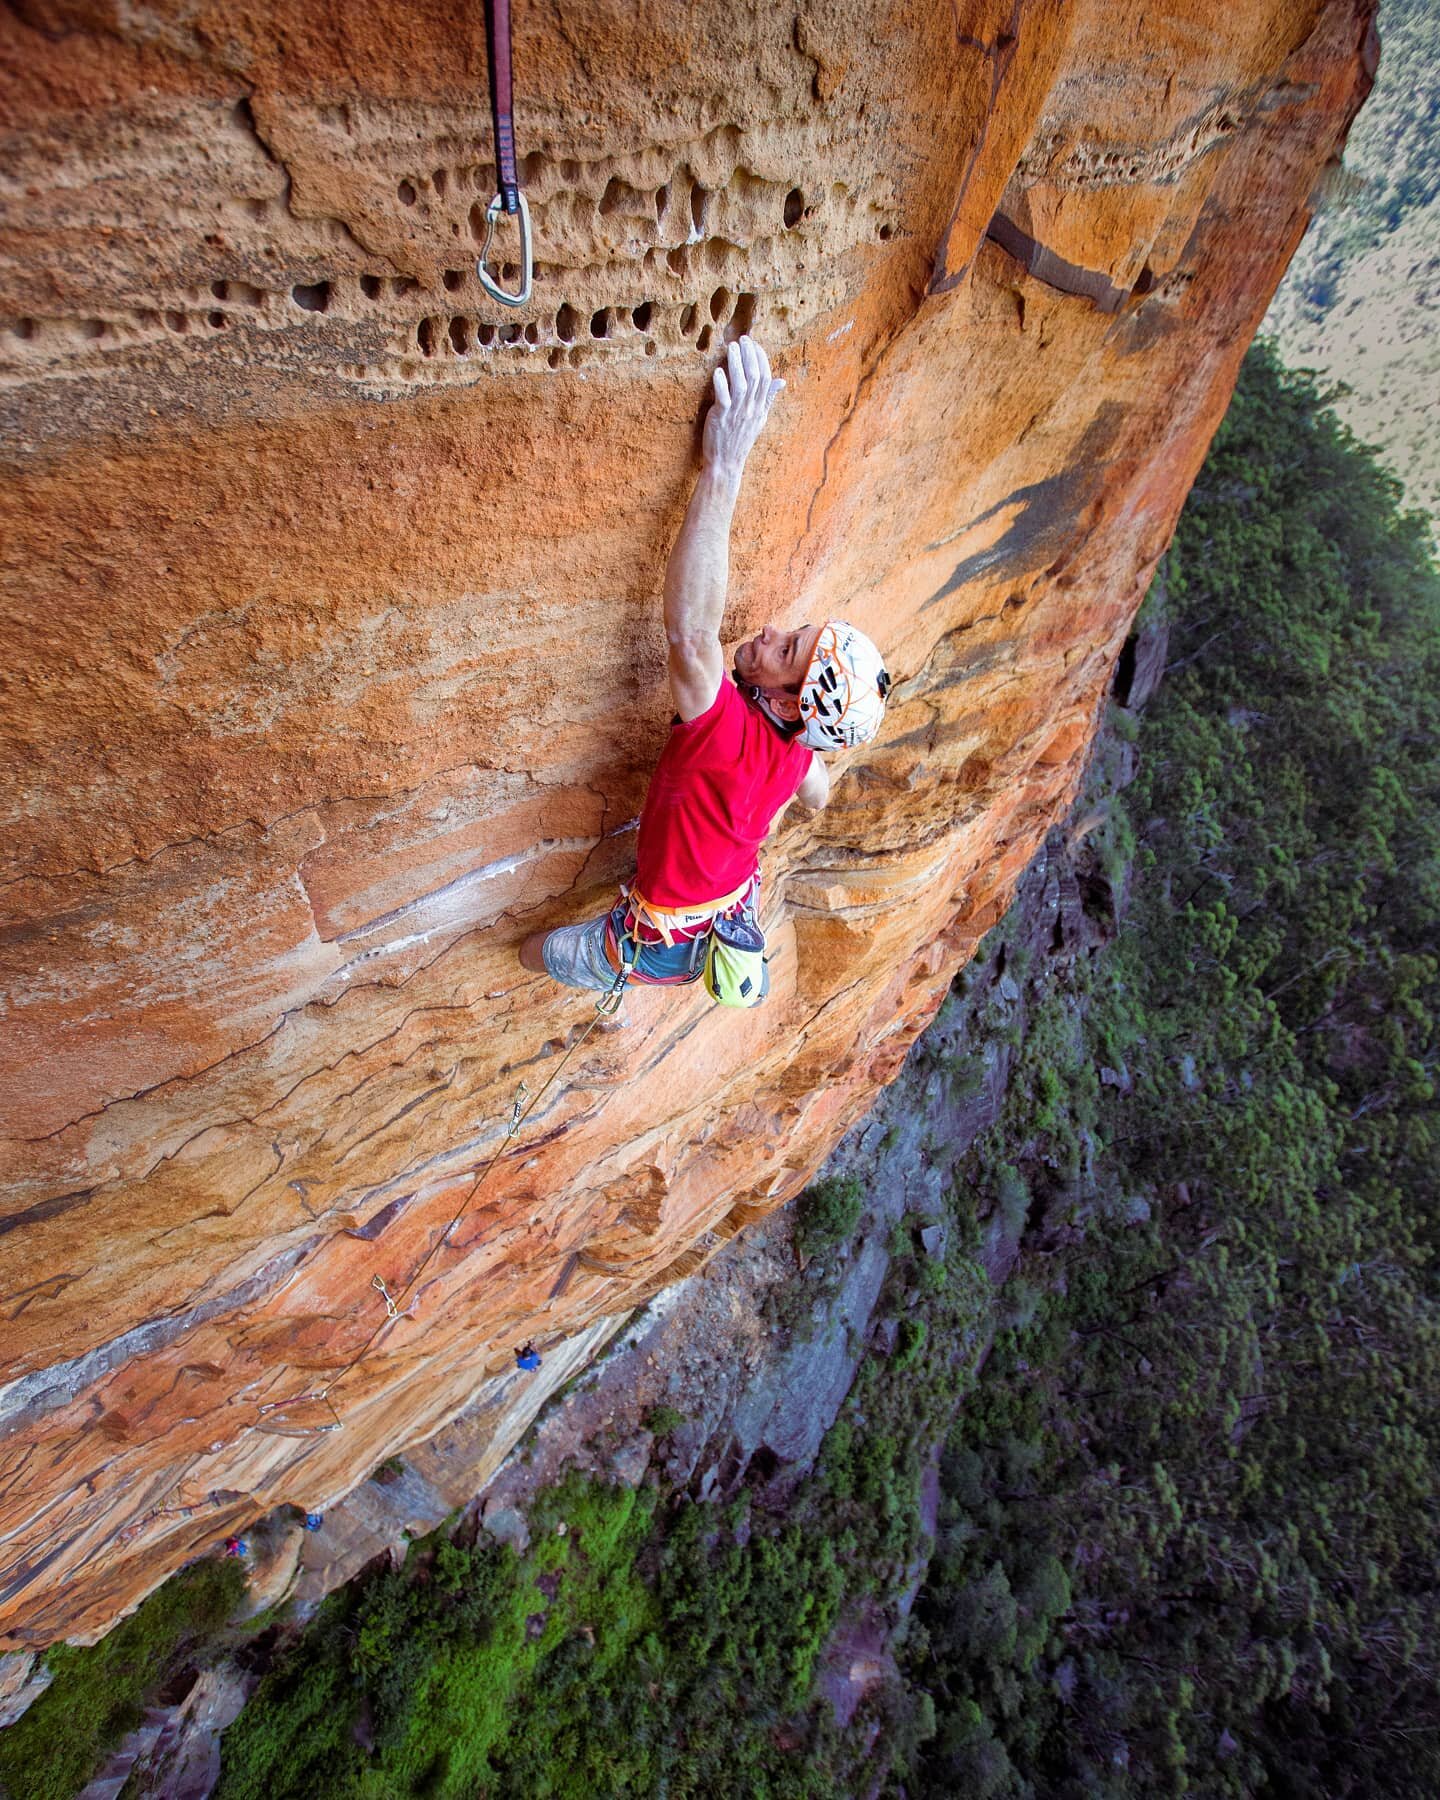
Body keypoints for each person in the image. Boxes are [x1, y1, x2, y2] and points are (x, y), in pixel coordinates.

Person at [520, 334, 890, 1004]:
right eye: (795, 634)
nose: (773, 632)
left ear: (783, 706)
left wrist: (725, 465)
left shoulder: (727, 735)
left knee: (533, 952)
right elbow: (817, 787)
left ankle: (630, 970)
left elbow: (691, 638)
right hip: (725, 900)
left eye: (786, 653)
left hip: (656, 936)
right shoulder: (797, 753)